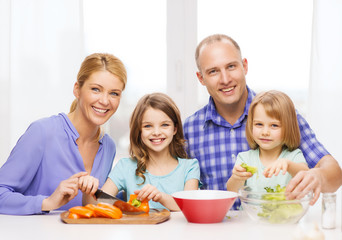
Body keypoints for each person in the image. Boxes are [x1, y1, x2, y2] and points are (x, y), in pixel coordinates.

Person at [183, 34, 342, 207]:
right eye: (213, 71)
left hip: (275, 226)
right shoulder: (190, 129)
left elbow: (334, 174)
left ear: (244, 66)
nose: (225, 79)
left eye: (231, 66)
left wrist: (318, 176)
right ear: (201, 78)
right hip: (214, 231)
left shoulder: (281, 115)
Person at [0, 53, 127, 215]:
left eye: (114, 93)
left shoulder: (108, 146)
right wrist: (47, 202)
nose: (104, 100)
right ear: (77, 89)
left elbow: (97, 203)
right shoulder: (43, 132)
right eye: (96, 89)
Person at [84, 93, 200, 211]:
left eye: (164, 125)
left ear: (175, 129)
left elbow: (190, 207)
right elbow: (99, 205)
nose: (156, 132)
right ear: (139, 130)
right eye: (148, 126)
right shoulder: (125, 167)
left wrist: (160, 197)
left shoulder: (190, 167)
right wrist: (88, 189)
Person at [226, 90, 309, 193]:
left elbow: (306, 176)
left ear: (288, 128)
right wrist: (236, 178)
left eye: (274, 125)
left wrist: (289, 165)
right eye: (259, 124)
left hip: (285, 209)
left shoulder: (293, 157)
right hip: (250, 209)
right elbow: (231, 191)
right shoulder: (245, 158)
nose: (265, 132)